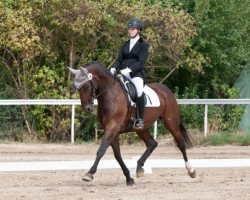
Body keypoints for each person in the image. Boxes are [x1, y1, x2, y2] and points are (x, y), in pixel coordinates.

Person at [110, 19, 149, 130]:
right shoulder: (125, 44)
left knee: (139, 90)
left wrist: (130, 70)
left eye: (132, 29)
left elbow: (141, 62)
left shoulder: (143, 45)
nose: (130, 31)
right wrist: (113, 68)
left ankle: (140, 119)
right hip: (122, 72)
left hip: (136, 74)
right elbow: (119, 60)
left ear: (139, 30)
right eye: (129, 29)